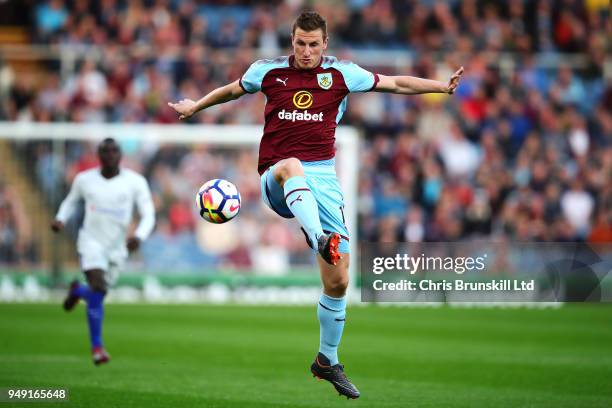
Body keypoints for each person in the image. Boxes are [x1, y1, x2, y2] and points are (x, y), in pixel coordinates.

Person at [168, 10, 463, 399]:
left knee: (339, 280)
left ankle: (327, 360)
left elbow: (395, 84)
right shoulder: (267, 71)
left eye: (313, 45)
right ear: (291, 42)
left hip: (323, 179)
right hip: (277, 174)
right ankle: (319, 237)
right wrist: (195, 107)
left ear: (325, 45)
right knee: (292, 166)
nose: (306, 51)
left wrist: (440, 87)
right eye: (299, 44)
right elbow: (231, 90)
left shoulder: (343, 74)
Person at [51, 138, 155, 365]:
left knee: (98, 294)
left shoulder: (135, 182)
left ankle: (78, 291)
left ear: (120, 156)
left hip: (117, 248)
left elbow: (149, 214)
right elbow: (70, 202)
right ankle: (97, 347)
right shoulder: (85, 180)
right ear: (98, 155)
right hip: (91, 242)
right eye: (105, 152)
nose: (109, 155)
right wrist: (60, 219)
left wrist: (139, 236)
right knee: (98, 287)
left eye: (113, 151)